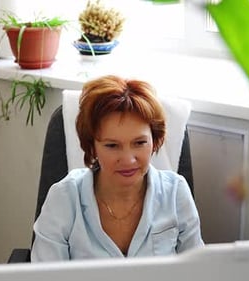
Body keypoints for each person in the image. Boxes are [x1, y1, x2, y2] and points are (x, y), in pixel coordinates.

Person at [31, 75, 204, 262]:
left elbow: (199, 270)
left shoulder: (176, 192)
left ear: (154, 141)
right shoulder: (63, 198)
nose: (128, 160)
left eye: (139, 143)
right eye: (112, 145)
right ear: (92, 146)